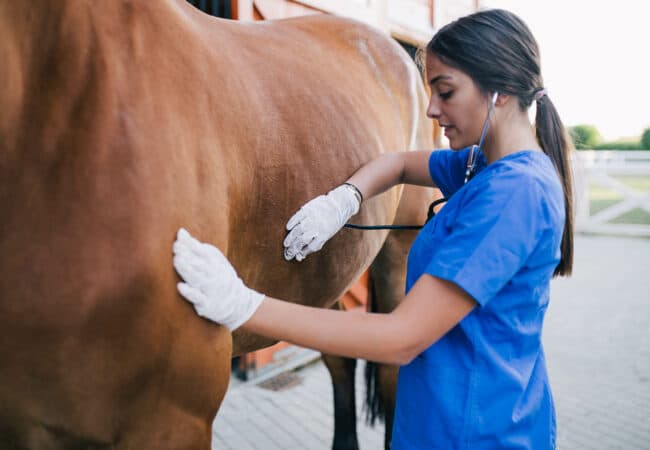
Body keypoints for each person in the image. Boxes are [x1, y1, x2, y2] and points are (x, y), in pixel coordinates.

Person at [172, 8, 573, 449]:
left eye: (445, 91)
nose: (431, 110)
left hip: (475, 432)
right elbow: (399, 163)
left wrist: (243, 305)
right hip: (443, 419)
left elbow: (399, 338)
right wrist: (344, 199)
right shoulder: (483, 165)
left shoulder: (515, 193)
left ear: (497, 91)